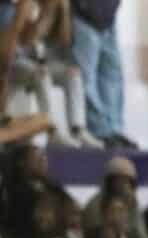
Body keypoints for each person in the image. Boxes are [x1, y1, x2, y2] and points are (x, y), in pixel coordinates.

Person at [0, 0, 101, 148]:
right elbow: (19, 45)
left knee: (73, 73)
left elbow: (64, 41)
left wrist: (62, 12)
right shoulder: (15, 7)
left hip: (38, 62)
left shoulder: (48, 6)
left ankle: (78, 128)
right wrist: (35, 18)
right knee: (42, 73)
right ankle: (51, 131)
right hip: (15, 63)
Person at [70, 0, 135, 149]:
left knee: (112, 76)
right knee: (86, 78)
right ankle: (100, 132)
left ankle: (114, 130)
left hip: (108, 16)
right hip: (83, 16)